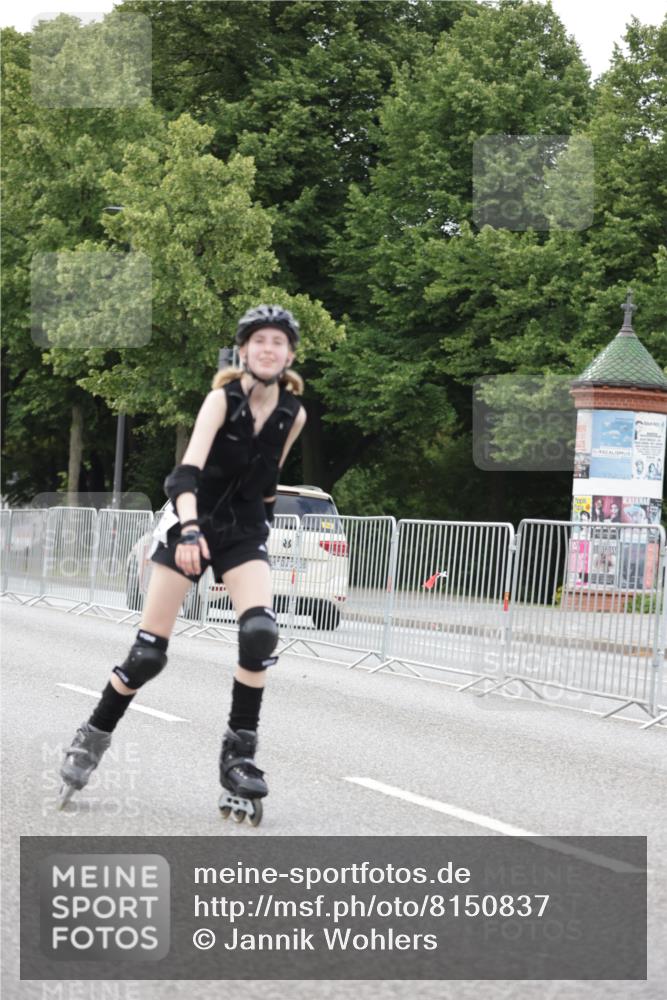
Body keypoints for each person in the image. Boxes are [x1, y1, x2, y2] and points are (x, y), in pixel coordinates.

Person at [58, 304, 307, 825]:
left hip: (242, 531)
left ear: (289, 354)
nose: (268, 349)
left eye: (278, 342)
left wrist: (262, 538)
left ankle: (238, 757)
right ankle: (95, 732)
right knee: (149, 654)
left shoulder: (293, 413)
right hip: (193, 520)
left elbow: (265, 484)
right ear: (243, 351)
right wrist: (191, 531)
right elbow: (185, 475)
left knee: (260, 632)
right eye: (259, 340)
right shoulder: (222, 399)